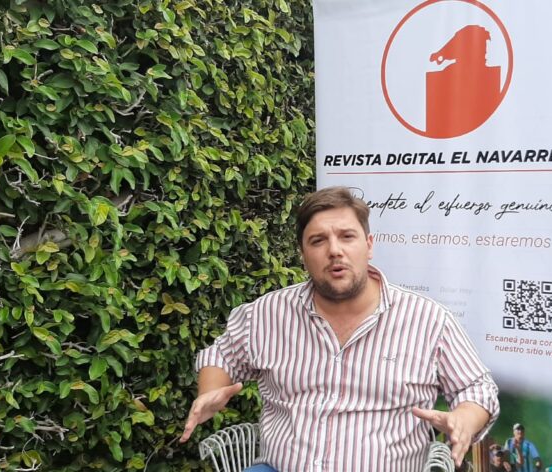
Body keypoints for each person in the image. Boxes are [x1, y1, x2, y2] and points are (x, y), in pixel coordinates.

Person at [179, 187, 500, 471]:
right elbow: (221, 356)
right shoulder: (267, 314)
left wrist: (464, 419)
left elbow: (477, 389)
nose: (334, 250)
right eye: (318, 240)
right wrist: (210, 390)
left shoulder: (428, 320)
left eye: (347, 236)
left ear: (368, 245)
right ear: (303, 254)